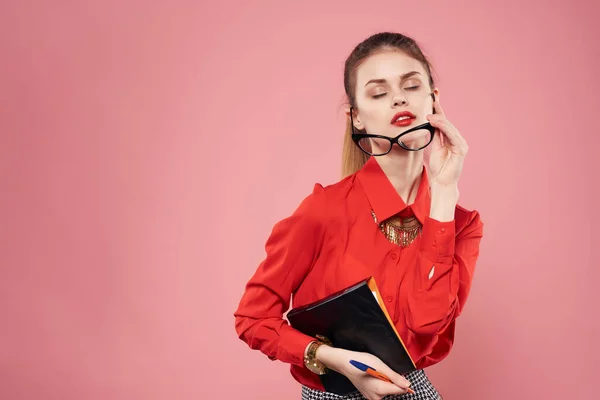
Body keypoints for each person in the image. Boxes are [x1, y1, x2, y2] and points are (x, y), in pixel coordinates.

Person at [233, 31, 484, 400]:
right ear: (357, 118)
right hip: (333, 393)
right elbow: (252, 319)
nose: (398, 98)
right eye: (378, 93)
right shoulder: (323, 211)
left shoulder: (460, 224)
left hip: (410, 389)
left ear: (433, 100)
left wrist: (445, 192)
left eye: (411, 86)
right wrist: (332, 359)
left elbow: (426, 322)